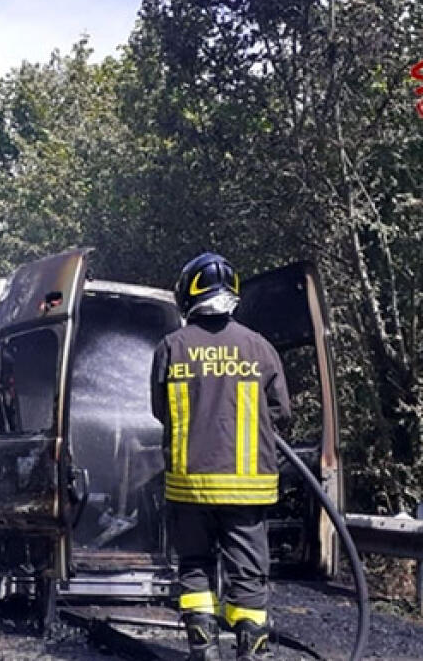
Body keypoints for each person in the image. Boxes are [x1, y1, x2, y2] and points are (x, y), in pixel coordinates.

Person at [151, 252, 292, 661]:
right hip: (248, 490)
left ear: (188, 293)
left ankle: (204, 652)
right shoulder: (259, 348)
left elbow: (160, 410)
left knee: (194, 565)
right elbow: (282, 412)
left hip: (189, 485)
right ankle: (252, 653)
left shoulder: (171, 347)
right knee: (248, 575)